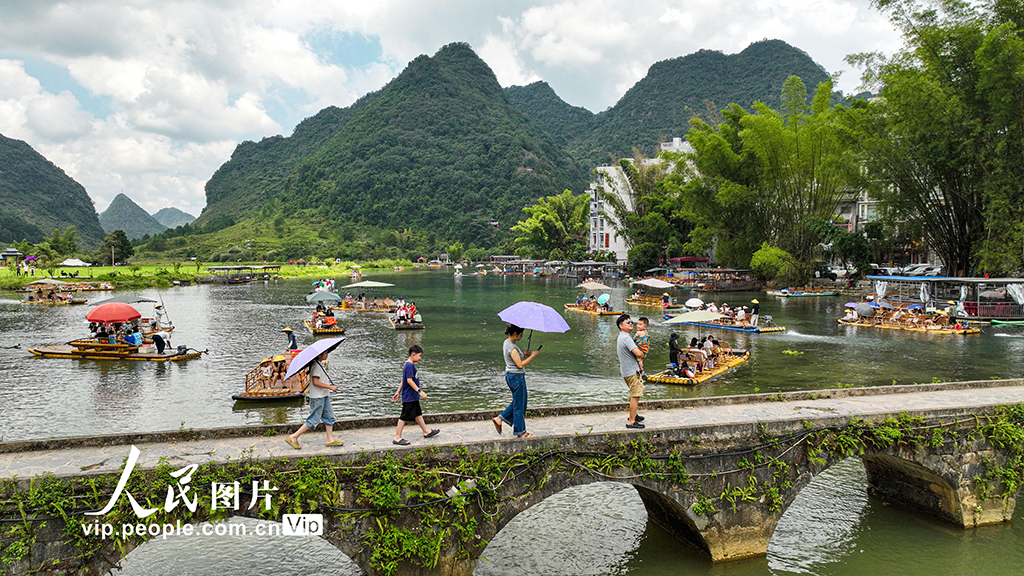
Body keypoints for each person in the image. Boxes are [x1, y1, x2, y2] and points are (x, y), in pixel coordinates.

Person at [285, 350, 344, 449]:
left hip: (324, 395)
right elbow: (315, 382)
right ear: (320, 355)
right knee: (314, 419)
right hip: (317, 397)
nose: (327, 354)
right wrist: (330, 387)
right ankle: (294, 436)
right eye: (325, 353)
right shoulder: (316, 366)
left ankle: (330, 439)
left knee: (329, 417)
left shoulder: (319, 364)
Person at [492, 324, 539, 438]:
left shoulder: (507, 343)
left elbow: (516, 358)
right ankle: (521, 432)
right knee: (519, 405)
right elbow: (519, 364)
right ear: (514, 334)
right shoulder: (512, 347)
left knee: (520, 402)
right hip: (516, 377)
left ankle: (500, 418)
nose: (522, 337)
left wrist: (525, 355)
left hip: (513, 376)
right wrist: (532, 356)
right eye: (520, 335)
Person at [391, 345, 440, 445]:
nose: (420, 358)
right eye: (419, 355)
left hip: (412, 396)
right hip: (409, 396)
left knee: (418, 413)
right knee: (404, 416)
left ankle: (426, 431)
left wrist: (398, 391)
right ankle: (397, 437)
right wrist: (420, 391)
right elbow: (409, 381)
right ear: (413, 355)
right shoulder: (409, 366)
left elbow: (403, 380)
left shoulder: (409, 365)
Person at [616, 314, 646, 429]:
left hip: (627, 370)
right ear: (621, 326)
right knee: (635, 395)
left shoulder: (623, 336)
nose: (631, 324)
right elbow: (638, 353)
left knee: (635, 393)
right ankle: (631, 421)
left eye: (631, 322)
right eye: (628, 322)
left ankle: (633, 415)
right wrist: (643, 354)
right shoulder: (626, 338)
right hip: (632, 371)